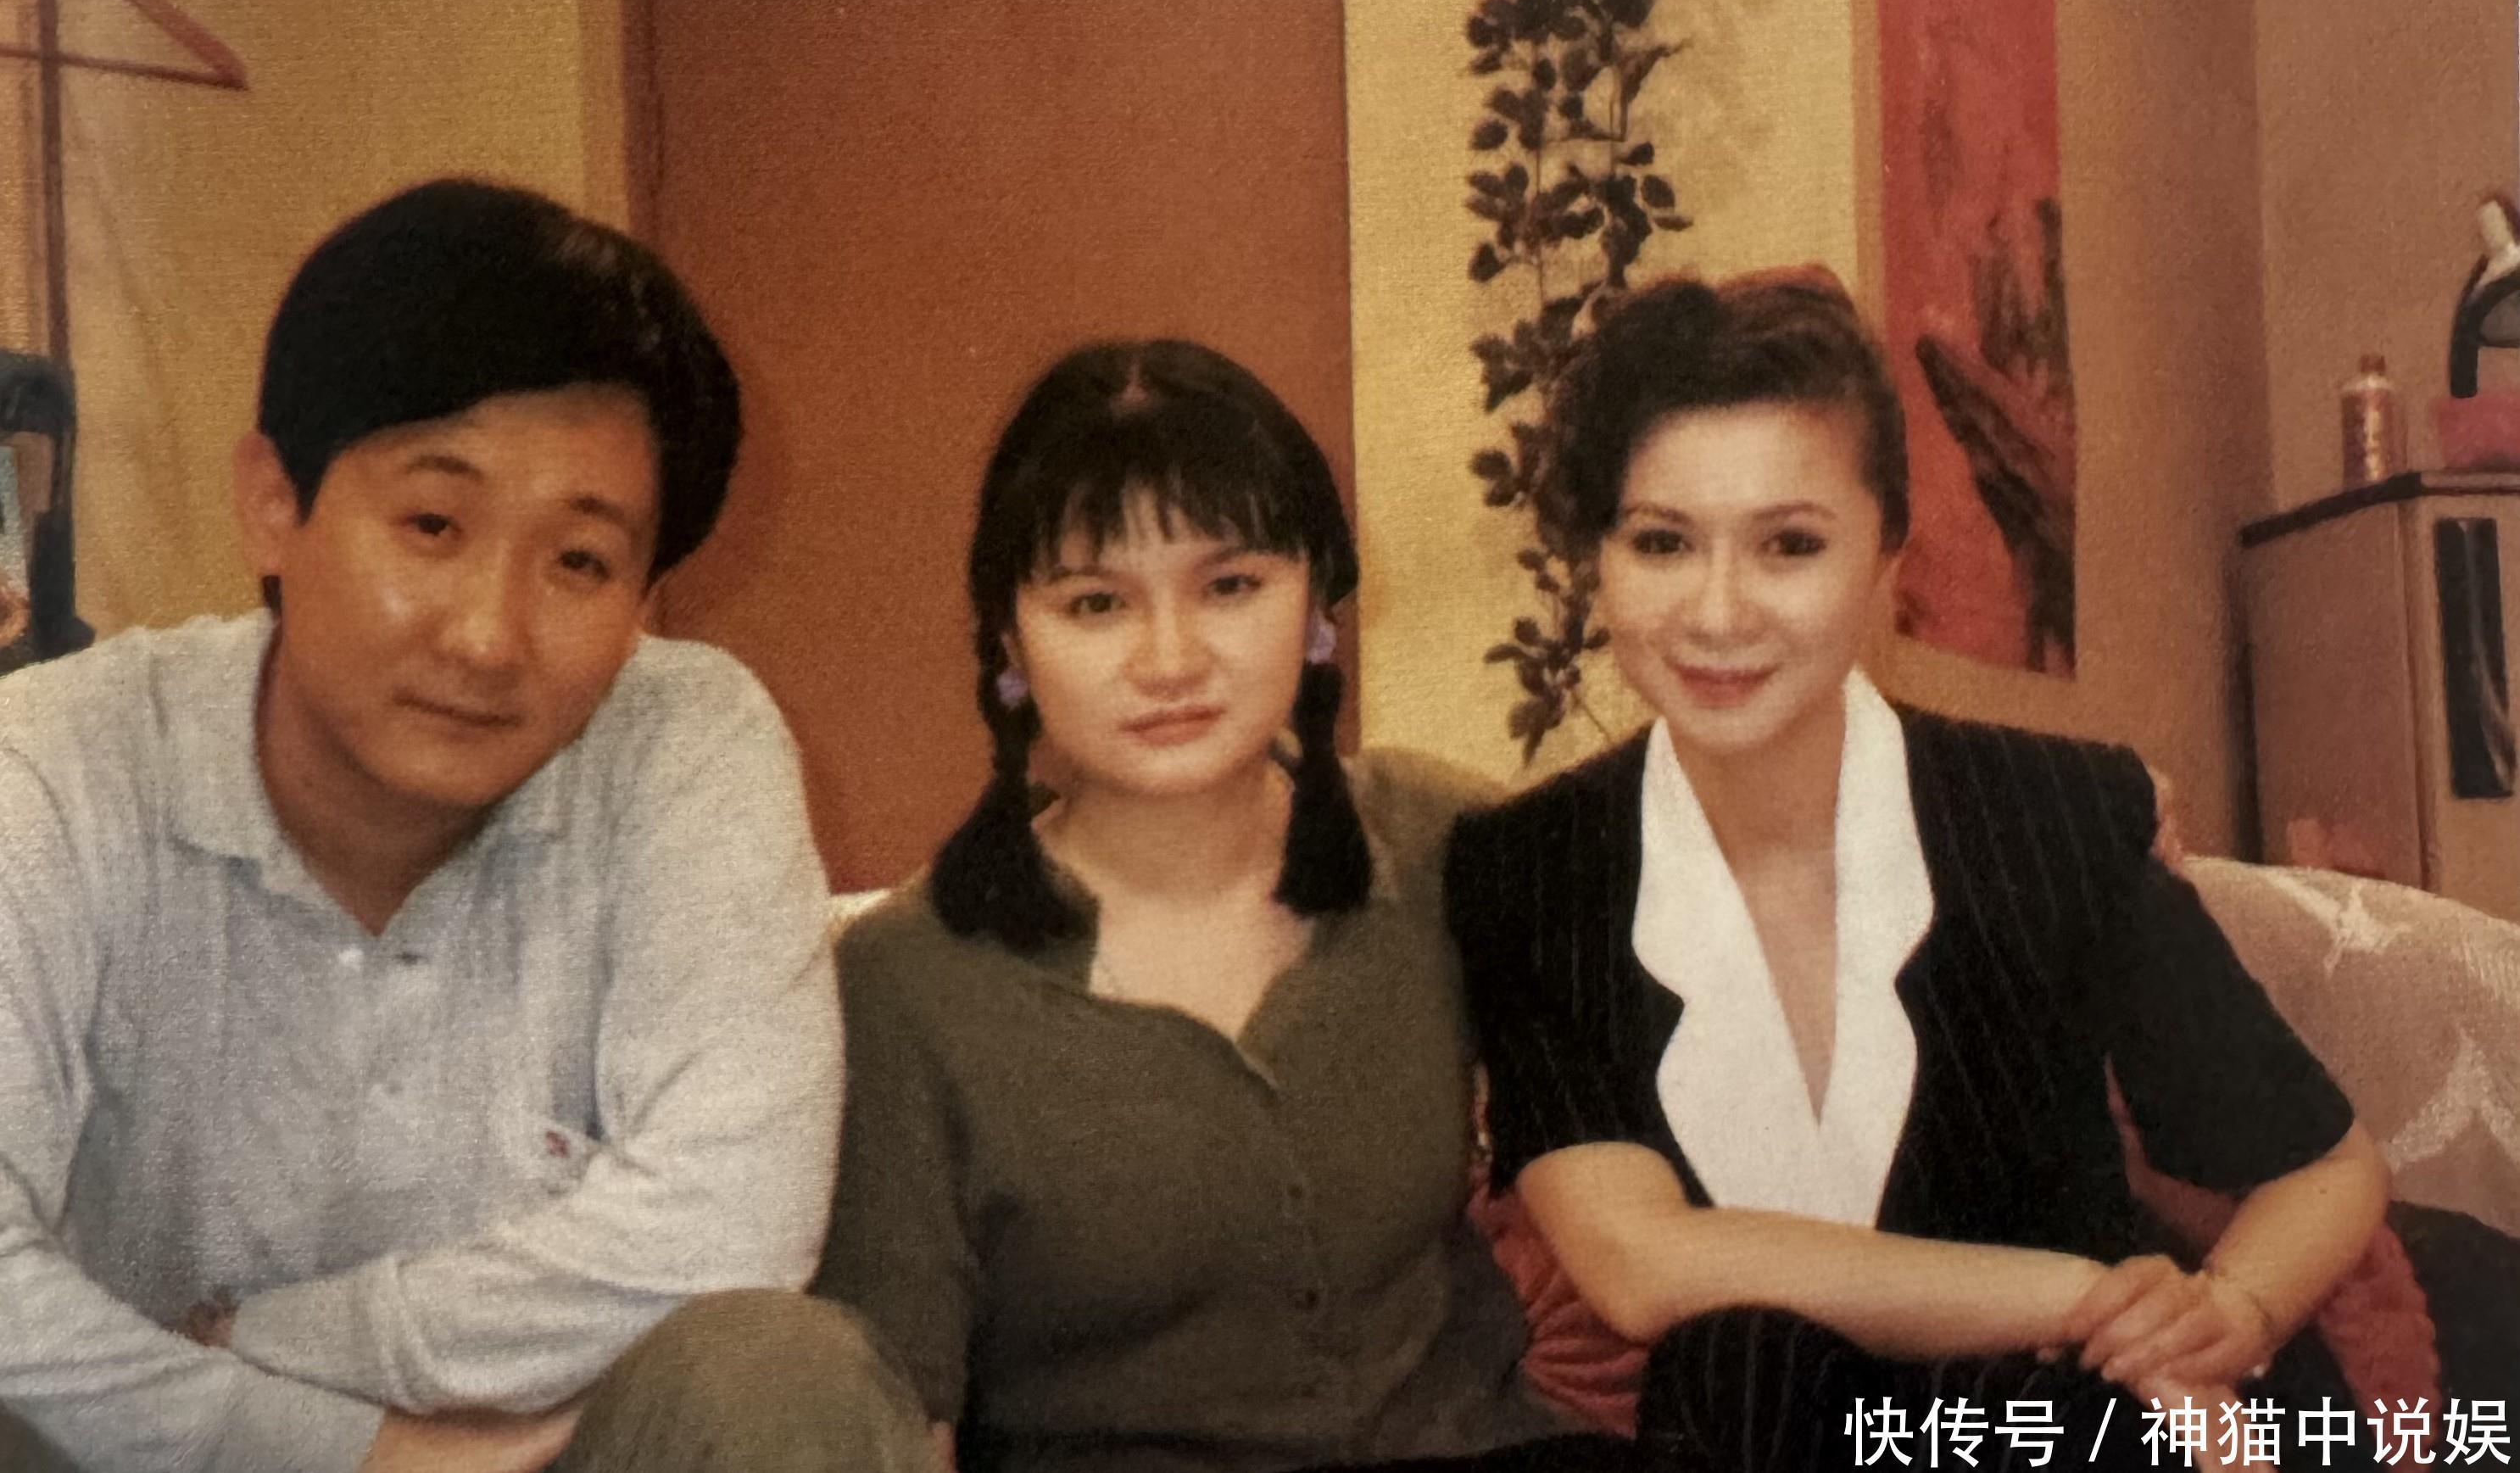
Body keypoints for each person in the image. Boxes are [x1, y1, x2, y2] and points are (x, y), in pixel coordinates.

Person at [0, 180, 930, 1473]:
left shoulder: (685, 742)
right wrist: (352, 1449)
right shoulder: (52, 766)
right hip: (160, 1455)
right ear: (274, 500)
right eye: (433, 525)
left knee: (779, 1372)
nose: (491, 637)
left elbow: (735, 1220)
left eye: (580, 562)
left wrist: (284, 1338)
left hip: (528, 1453)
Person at [1444, 271, 2394, 1472]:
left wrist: (2223, 1319)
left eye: (1791, 544)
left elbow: (2325, 1166)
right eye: (1662, 543)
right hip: (1780, 1430)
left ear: (1888, 553)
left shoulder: (2051, 817)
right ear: (1598, 558)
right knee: (1735, 1357)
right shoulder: (1533, 871)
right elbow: (1642, 1266)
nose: (1719, 612)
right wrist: (2081, 1294)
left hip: (2078, 1425)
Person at [814, 341, 1636, 1473]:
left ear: (1316, 603)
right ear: (1011, 643)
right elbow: (900, 1417)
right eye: (1097, 603)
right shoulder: (907, 981)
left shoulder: (1436, 840)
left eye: (1231, 586)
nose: (1171, 660)